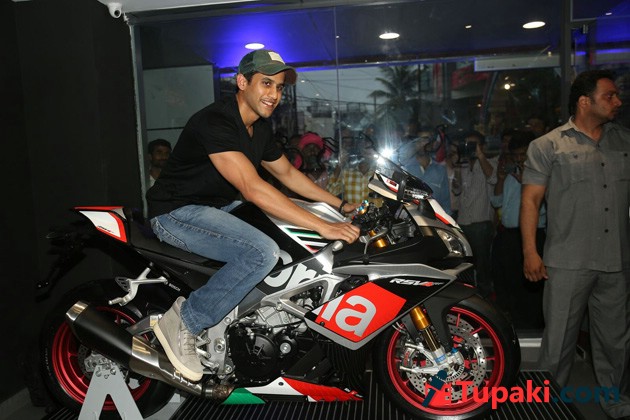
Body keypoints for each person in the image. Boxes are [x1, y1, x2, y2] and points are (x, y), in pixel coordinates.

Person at [146, 49, 360, 381]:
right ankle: (185, 321)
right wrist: (325, 226)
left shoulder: (259, 129)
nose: (274, 94)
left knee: (289, 238)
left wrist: (340, 207)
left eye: (279, 87)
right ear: (242, 82)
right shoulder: (215, 121)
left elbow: (287, 174)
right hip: (177, 212)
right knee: (261, 251)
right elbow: (252, 187)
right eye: (266, 83)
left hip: (217, 209)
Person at [520, 69, 630, 419]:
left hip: (617, 261)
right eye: (609, 96)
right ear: (585, 101)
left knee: (616, 342)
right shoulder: (548, 145)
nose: (618, 101)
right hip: (567, 261)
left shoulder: (624, 142)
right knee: (558, 343)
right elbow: (531, 201)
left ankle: (616, 402)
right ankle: (543, 407)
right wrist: (530, 252)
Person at [490, 131, 545, 329]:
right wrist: (501, 178)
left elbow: (541, 206)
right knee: (507, 281)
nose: (520, 159)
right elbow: (496, 201)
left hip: (532, 235)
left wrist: (525, 181)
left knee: (530, 284)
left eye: (523, 154)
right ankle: (514, 324)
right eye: (516, 155)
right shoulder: (511, 174)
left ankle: (533, 326)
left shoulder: (540, 173)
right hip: (508, 235)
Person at [456, 130, 497, 297]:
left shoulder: (490, 162)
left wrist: (480, 155)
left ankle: (486, 298)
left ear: (483, 146)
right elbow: (457, 190)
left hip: (481, 222)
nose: (470, 148)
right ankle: (469, 297)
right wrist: (457, 168)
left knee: (482, 265)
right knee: (466, 264)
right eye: (468, 144)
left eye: (474, 144)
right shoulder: (464, 165)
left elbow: (493, 178)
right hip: (463, 222)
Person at [327, 136, 377, 204]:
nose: (366, 152)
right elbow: (330, 192)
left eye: (369, 148)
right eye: (363, 148)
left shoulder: (379, 173)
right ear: (359, 151)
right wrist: (339, 165)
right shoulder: (347, 173)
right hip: (351, 211)